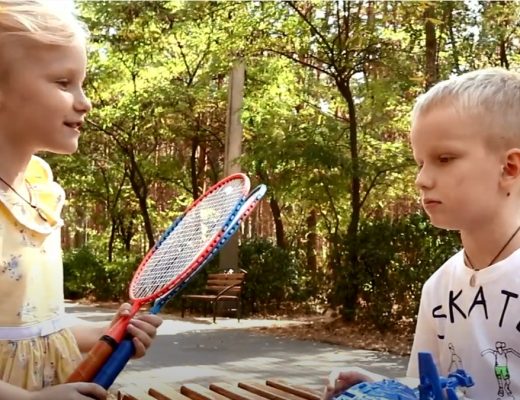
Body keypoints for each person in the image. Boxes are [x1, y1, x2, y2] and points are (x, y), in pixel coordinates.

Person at [323, 68, 520, 400]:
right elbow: (431, 389)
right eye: (419, 162)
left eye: (444, 159)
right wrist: (387, 390)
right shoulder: (439, 287)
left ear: (510, 167)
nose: (422, 179)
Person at [0, 1, 162, 399]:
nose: (84, 101)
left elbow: (33, 331)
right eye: (63, 82)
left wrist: (109, 334)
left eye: (82, 83)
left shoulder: (39, 192)